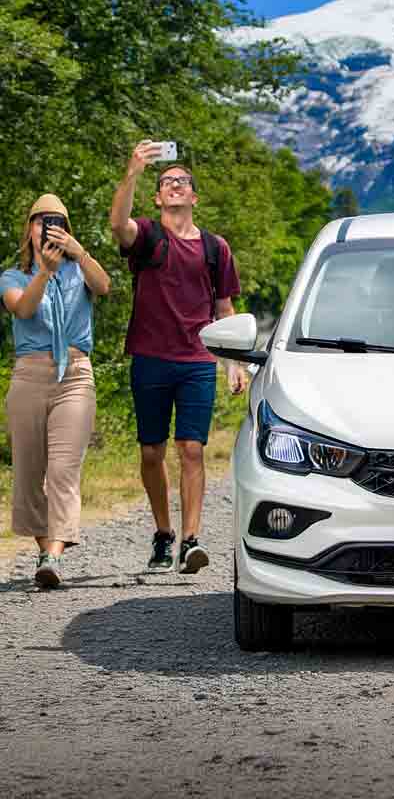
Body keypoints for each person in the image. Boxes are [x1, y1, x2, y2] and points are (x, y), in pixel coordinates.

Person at [110, 142, 245, 574]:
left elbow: (224, 309)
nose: (174, 185)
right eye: (167, 181)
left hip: (197, 362)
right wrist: (132, 171)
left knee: (191, 449)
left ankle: (191, 540)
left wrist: (233, 362)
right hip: (150, 358)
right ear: (157, 197)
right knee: (152, 452)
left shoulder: (215, 248)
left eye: (182, 181)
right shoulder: (148, 236)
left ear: (194, 196)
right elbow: (117, 225)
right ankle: (163, 533)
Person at [1, 194, 111, 588]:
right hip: (30, 375)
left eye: (57, 222)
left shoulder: (80, 269)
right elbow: (23, 309)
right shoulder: (13, 275)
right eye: (41, 221)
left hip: (76, 376)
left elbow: (104, 286)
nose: (48, 228)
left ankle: (53, 555)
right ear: (29, 229)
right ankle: (45, 547)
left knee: (64, 470)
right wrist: (44, 273)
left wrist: (80, 254)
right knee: (29, 473)